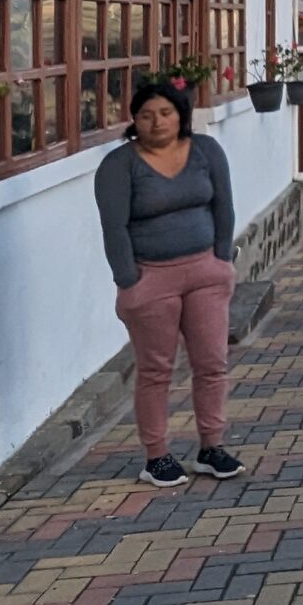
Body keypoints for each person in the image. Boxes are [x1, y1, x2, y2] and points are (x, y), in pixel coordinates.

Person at [94, 77, 244, 487]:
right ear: (134, 120)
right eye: (146, 115)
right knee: (156, 369)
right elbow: (114, 228)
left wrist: (222, 261)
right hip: (151, 279)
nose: (157, 122)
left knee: (211, 363)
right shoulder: (119, 165)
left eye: (165, 112)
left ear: (181, 115)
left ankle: (212, 447)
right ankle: (156, 456)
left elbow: (224, 207)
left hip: (206, 274)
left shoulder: (206, 151)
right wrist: (129, 281)